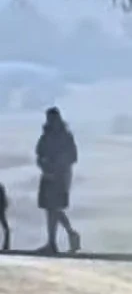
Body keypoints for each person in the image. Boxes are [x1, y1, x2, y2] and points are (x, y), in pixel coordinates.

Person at [36, 107, 80, 255]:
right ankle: (54, 241)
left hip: (61, 176)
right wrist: (45, 167)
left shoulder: (65, 136)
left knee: (55, 208)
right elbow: (39, 154)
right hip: (48, 175)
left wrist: (58, 167)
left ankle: (65, 236)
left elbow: (72, 156)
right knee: (51, 209)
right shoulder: (46, 136)